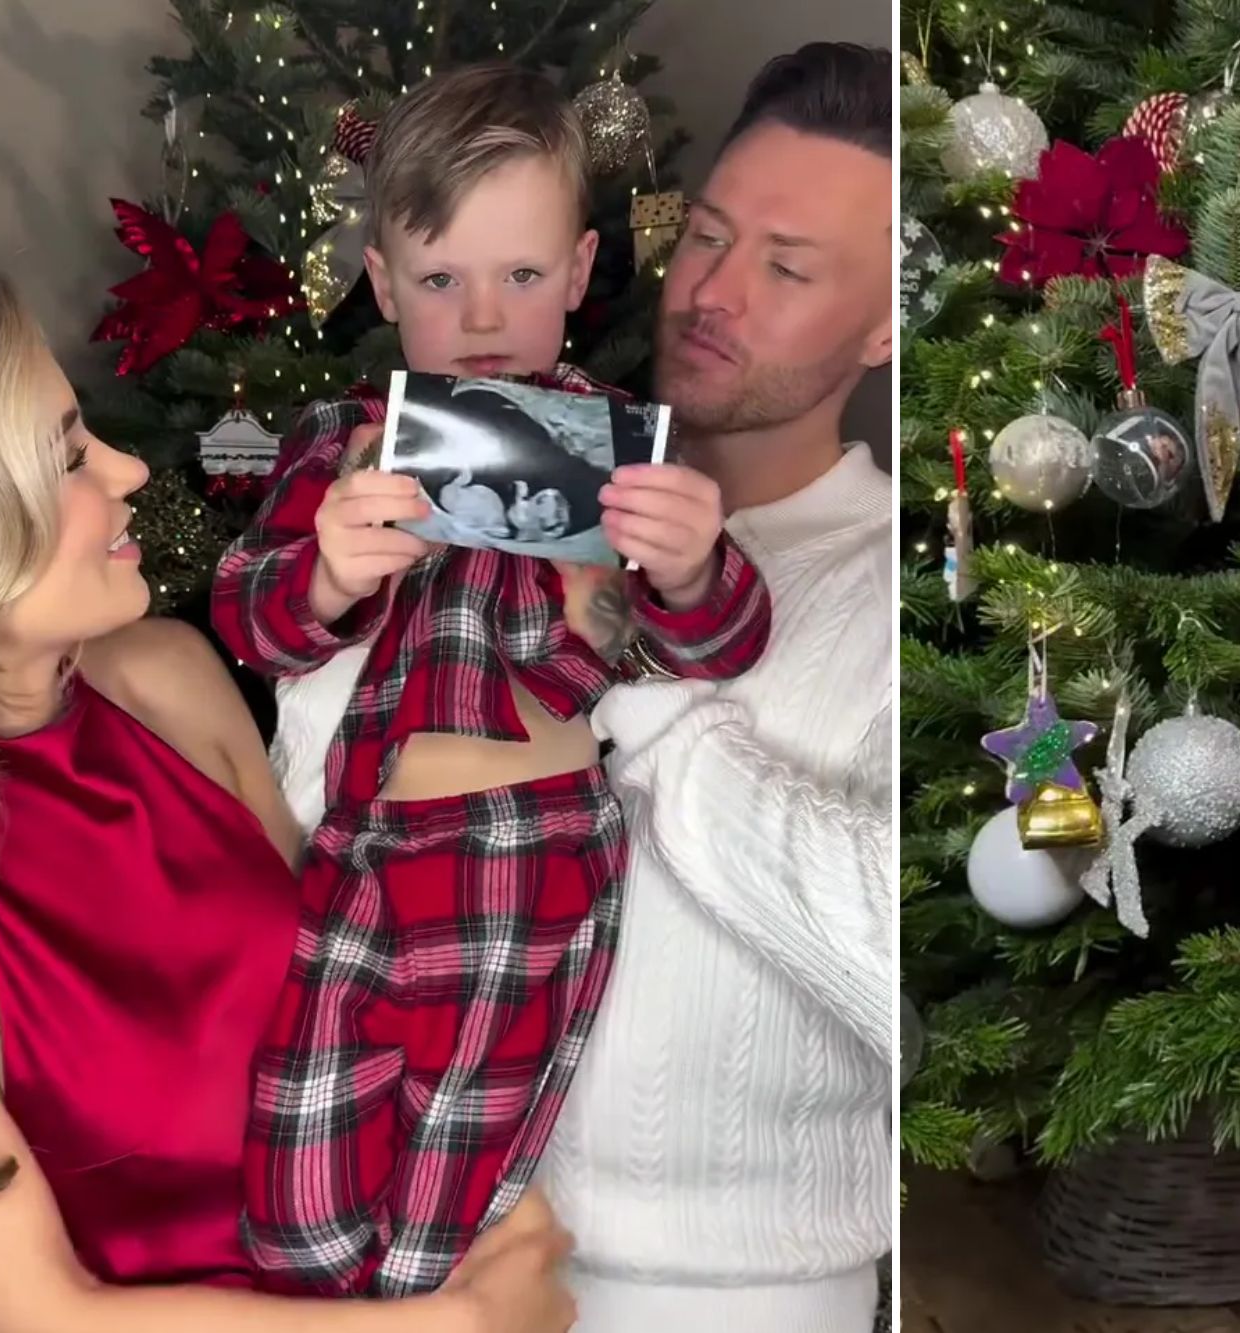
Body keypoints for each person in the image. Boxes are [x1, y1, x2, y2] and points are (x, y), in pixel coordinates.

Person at [0, 255, 572, 1331]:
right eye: (65, 457)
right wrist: (452, 1327)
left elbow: (365, 993)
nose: (124, 469)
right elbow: (30, 1314)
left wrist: (501, 1205)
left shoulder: (165, 681)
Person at [211, 64, 770, 1298]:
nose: (480, 318)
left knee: (432, 1241)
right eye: (439, 279)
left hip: (523, 855)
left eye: (520, 277)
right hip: (359, 852)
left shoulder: (622, 452)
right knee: (294, 1217)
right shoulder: (344, 442)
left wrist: (685, 570)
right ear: (382, 283)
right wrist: (323, 581)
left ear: (577, 274)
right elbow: (248, 614)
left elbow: (717, 644)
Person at [535, 42, 895, 1332]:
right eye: (707, 238)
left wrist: (652, 709)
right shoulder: (527, 508)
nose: (711, 293)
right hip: (461, 1251)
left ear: (884, 320)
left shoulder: (909, 591)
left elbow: (908, 964)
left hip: (745, 1297)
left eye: (786, 269)